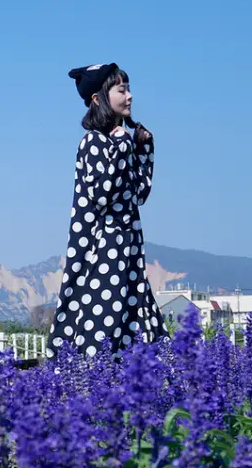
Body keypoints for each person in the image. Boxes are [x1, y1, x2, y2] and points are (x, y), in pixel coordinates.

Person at [47, 62, 167, 360]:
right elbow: (102, 196)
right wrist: (121, 148)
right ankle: (90, 388)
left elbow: (139, 194)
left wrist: (143, 150)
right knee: (102, 323)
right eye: (122, 90)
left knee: (136, 320)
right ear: (99, 98)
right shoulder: (94, 142)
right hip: (102, 251)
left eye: (129, 90)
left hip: (128, 250)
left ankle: (142, 389)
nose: (129, 97)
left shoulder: (117, 141)